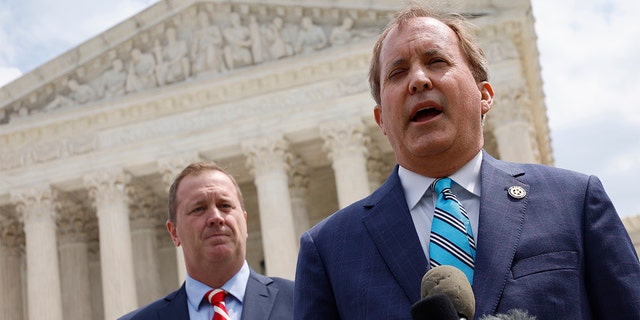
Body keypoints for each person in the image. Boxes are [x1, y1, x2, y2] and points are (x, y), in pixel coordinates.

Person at [294, 3, 640, 320]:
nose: (417, 80)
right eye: (397, 73)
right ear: (381, 119)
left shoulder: (573, 202)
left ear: (485, 95)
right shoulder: (329, 250)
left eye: (436, 61)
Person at [119, 162, 294, 320]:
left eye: (225, 205)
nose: (216, 217)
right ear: (174, 232)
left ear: (244, 222)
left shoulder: (300, 301)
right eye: (199, 208)